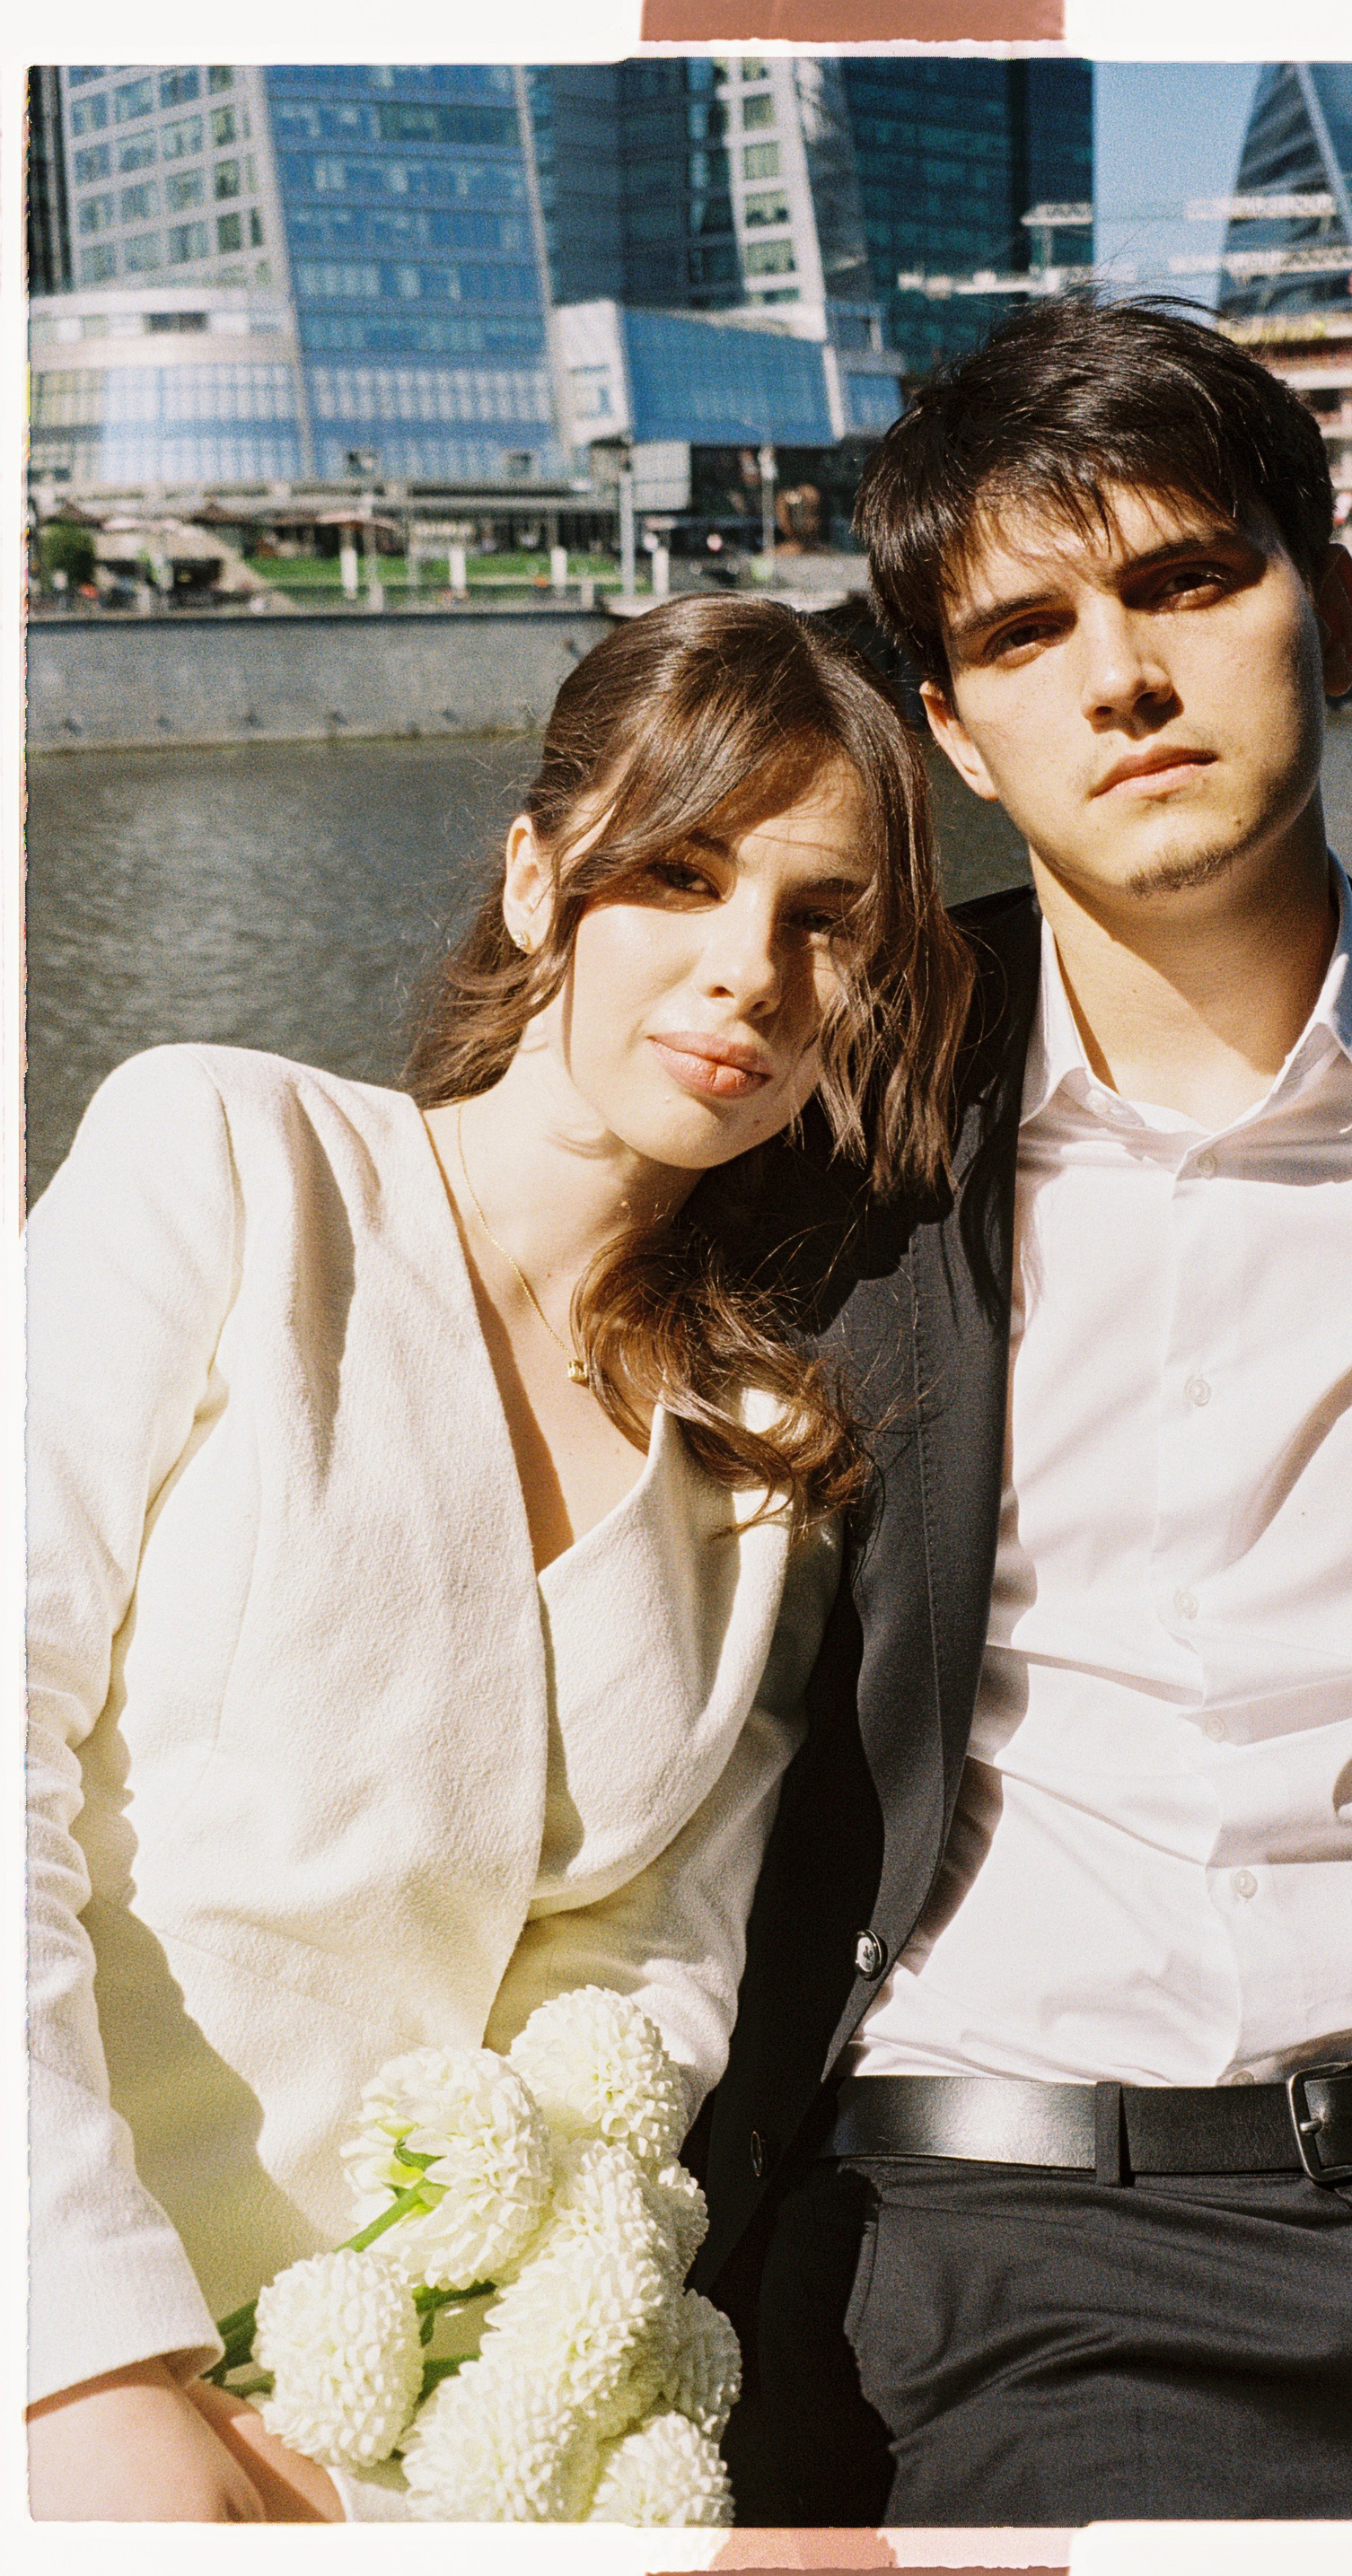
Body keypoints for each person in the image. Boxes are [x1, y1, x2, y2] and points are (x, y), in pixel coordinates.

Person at [692, 300, 1352, 2522]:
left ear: (1336, 604)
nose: (1121, 678)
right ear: (954, 734)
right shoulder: (819, 1113)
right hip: (1037, 2247)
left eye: (1188, 580)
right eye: (1026, 634)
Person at [24, 594, 974, 2521]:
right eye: (682, 874)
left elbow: (638, 1996)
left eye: (824, 919)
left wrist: (450, 2405)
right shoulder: (231, 1162)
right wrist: (89, 2359)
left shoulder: (761, 1465)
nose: (748, 970)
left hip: (394, 2446)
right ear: (539, 882)